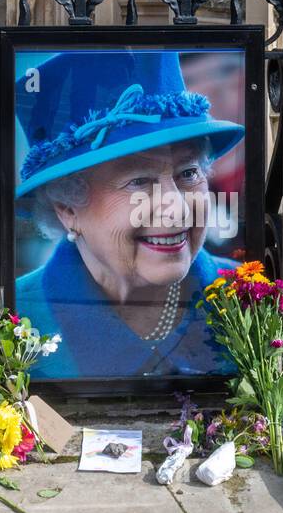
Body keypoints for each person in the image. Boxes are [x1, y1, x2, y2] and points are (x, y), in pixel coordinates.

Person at [12, 50, 245, 378]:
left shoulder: (252, 297)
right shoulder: (16, 321)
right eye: (139, 181)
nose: (176, 208)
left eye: (188, 173)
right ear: (67, 209)